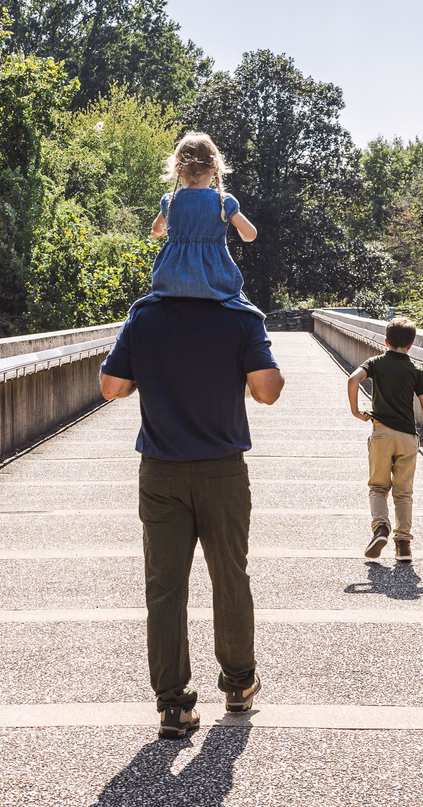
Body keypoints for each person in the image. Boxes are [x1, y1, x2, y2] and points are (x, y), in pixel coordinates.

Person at [100, 293, 285, 739]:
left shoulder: (144, 316)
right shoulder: (241, 317)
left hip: (161, 472)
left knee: (164, 590)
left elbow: (112, 387)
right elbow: (267, 392)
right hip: (222, 470)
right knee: (230, 577)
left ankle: (173, 706)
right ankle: (239, 686)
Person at [133, 132, 265, 319]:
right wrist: (241, 234)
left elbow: (156, 228)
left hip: (171, 282)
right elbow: (250, 234)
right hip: (216, 282)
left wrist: (159, 232)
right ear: (214, 169)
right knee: (250, 314)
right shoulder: (223, 202)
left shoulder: (171, 201)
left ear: (178, 170)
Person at [347, 316, 423, 563]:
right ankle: (403, 545)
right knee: (404, 491)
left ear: (386, 340)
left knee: (378, 487)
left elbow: (353, 379)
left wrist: (356, 411)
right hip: (408, 438)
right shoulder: (416, 371)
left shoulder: (376, 362)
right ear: (411, 345)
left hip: (381, 434)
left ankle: (380, 528)